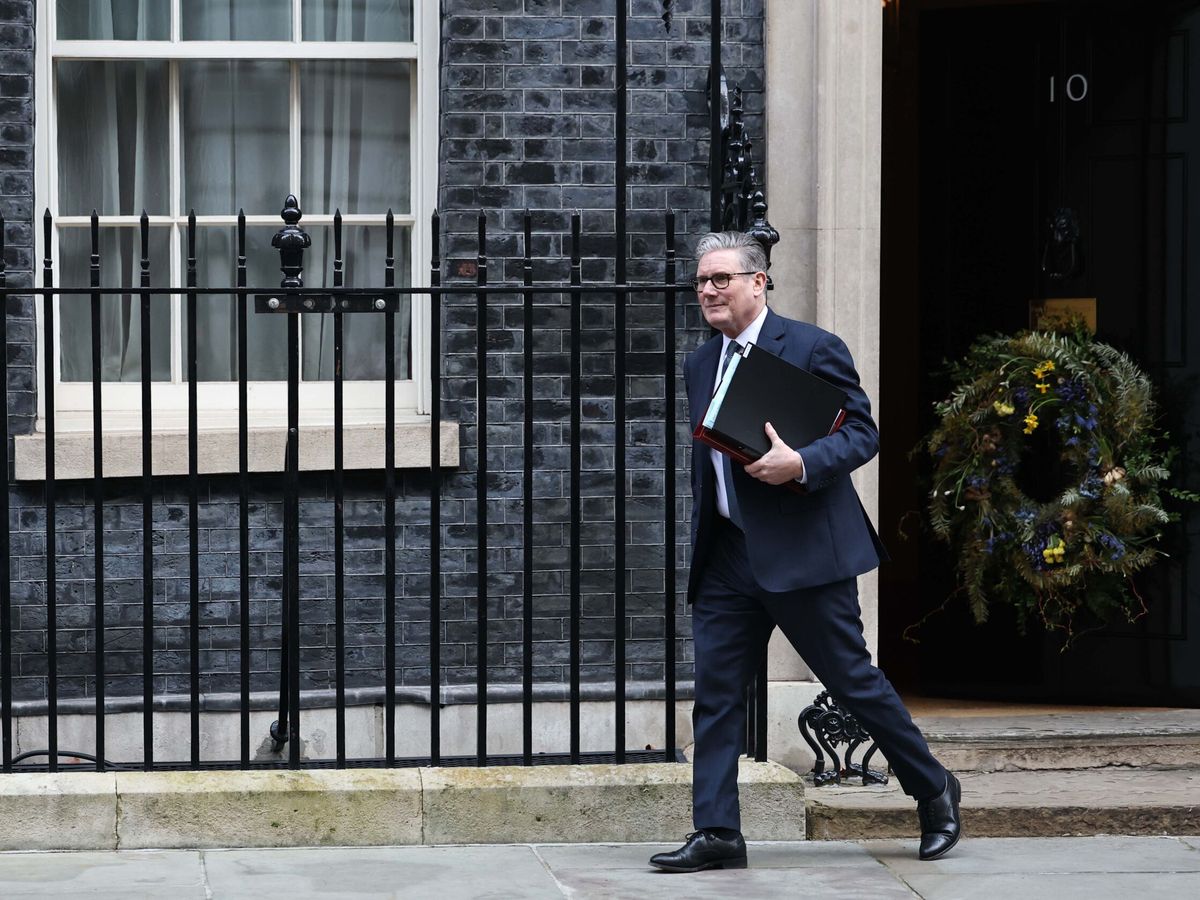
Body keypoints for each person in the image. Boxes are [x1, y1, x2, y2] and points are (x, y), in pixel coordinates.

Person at [649, 231, 961, 873]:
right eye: (701, 281)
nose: (707, 290)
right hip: (727, 555)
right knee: (716, 695)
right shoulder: (701, 362)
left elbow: (863, 433)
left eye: (721, 279)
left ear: (758, 282)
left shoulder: (813, 347)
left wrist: (801, 464)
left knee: (851, 681)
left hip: (803, 553)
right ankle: (717, 831)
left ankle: (933, 789)